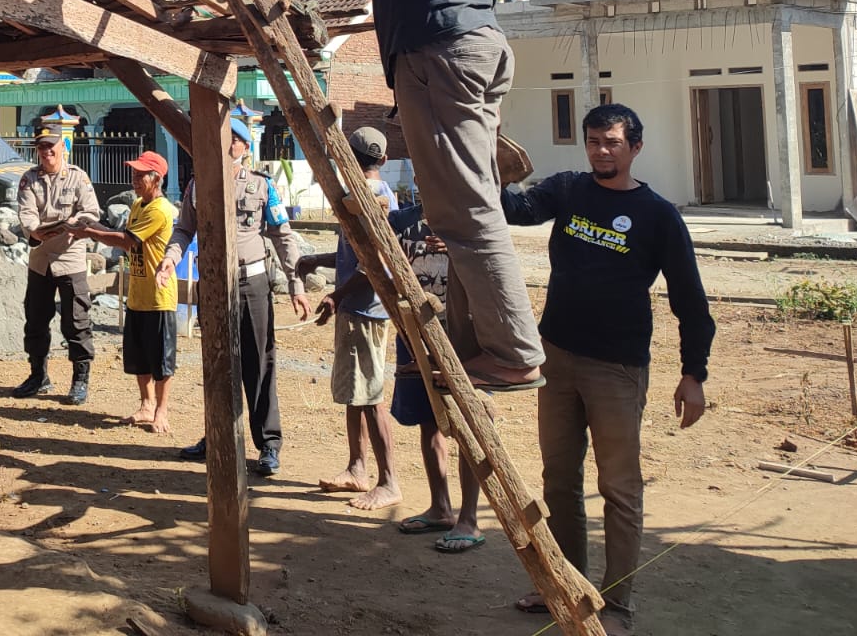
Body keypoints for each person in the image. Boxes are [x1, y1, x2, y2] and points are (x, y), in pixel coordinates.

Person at [239, 0, 544, 390]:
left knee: (463, 209)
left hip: (439, 48)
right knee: (465, 201)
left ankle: (514, 352)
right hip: (485, 45)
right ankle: (481, 343)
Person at [503, 103, 715, 633]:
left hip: (618, 368)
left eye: (613, 142)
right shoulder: (571, 189)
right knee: (558, 478)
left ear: (635, 147)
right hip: (557, 358)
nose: (602, 151)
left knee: (619, 487)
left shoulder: (658, 215)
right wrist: (486, 153)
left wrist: (694, 373)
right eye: (594, 141)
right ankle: (565, 585)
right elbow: (515, 210)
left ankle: (617, 604)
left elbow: (690, 300)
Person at [162, 119, 311, 476]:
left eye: (233, 141)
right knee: (216, 363)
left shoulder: (261, 186)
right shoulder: (199, 185)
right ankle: (218, 435)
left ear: (244, 147)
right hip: (213, 285)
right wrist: (171, 257)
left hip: (252, 285)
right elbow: (184, 229)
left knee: (258, 364)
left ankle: (268, 444)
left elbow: (282, 234)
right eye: (220, 139)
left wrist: (296, 283)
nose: (225, 146)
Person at [295, 127, 401, 509]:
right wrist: (317, 260)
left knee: (371, 396)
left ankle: (388, 481)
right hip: (358, 306)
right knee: (356, 393)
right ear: (383, 161)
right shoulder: (372, 195)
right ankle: (357, 468)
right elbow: (354, 257)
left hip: (365, 309)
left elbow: (376, 266)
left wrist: (336, 295)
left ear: (345, 159)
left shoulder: (371, 202)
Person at [388, 204, 486, 554]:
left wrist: (460, 251)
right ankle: (440, 507)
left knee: (468, 426)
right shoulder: (401, 221)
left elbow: (494, 268)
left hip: (462, 333)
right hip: (415, 332)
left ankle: (470, 520)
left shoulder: (471, 218)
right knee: (428, 421)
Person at [69, 151, 178, 433]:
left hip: (158, 298)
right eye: (135, 173)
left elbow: (127, 241)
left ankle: (162, 412)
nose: (135, 178)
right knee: (139, 356)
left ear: (157, 179)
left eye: (141, 174)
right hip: (138, 295)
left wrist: (90, 231)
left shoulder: (159, 209)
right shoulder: (139, 205)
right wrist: (92, 228)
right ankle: (146, 405)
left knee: (161, 360)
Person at [12, 131, 103, 404]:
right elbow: (26, 213)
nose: (46, 153)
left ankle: (80, 379)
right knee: (36, 320)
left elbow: (92, 212)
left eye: (51, 148)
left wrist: (75, 222)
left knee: (76, 321)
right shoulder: (29, 178)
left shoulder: (78, 177)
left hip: (70, 258)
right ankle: (38, 375)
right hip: (40, 259)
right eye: (41, 148)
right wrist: (34, 230)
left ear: (62, 148)